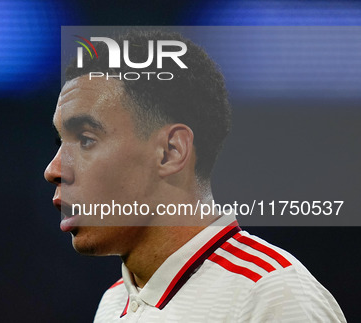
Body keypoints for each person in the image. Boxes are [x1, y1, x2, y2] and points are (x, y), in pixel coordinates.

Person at [44, 29, 346, 321]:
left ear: (170, 151)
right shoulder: (113, 303)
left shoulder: (273, 298)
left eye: (85, 140)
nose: (53, 170)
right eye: (61, 143)